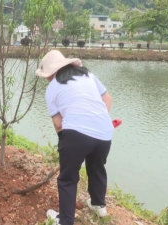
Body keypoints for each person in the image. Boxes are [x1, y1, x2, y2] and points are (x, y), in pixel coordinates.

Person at [36, 50, 113, 225]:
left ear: (52, 73)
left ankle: (65, 221)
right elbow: (107, 99)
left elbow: (59, 125)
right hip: (104, 133)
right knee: (96, 166)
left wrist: (67, 146)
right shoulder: (88, 75)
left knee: (67, 179)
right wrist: (98, 122)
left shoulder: (52, 88)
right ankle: (99, 205)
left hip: (75, 134)